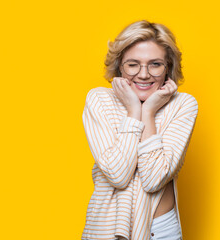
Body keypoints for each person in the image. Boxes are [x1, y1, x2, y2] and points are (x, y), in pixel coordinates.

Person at [81, 20, 199, 240]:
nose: (144, 74)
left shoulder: (183, 104)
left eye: (155, 64)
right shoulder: (99, 100)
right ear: (119, 66)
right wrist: (135, 109)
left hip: (161, 231)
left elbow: (154, 179)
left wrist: (149, 112)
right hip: (106, 231)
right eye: (133, 64)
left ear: (168, 68)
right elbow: (118, 175)